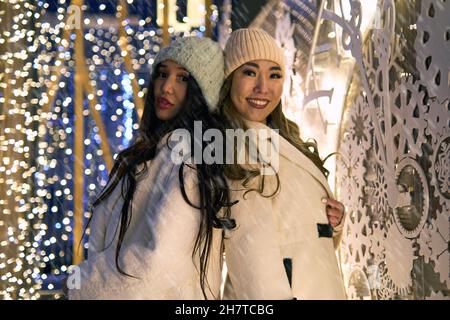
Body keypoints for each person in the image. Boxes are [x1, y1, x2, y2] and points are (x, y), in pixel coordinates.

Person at [66, 36, 233, 299]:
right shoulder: (149, 154)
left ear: (204, 93)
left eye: (183, 78)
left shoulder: (188, 160)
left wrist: (80, 284)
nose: (166, 87)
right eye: (162, 74)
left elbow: (158, 264)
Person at [218, 28, 347, 299]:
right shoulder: (236, 148)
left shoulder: (282, 138)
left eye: (274, 75)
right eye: (250, 72)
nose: (263, 88)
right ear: (229, 79)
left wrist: (330, 223)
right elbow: (252, 256)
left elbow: (292, 232)